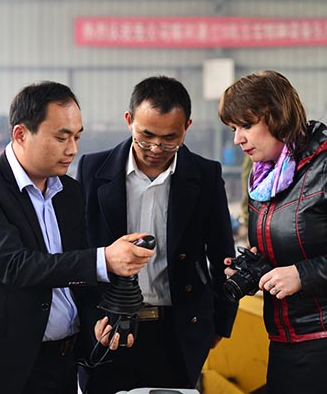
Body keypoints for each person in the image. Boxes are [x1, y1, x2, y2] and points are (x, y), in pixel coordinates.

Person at [0, 81, 151, 394]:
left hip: (62, 363)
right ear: (21, 134)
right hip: (2, 365)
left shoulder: (69, 192)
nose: (72, 149)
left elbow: (75, 275)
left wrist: (98, 321)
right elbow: (16, 266)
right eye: (61, 137)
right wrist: (104, 259)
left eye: (77, 137)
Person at [218, 70, 327, 394]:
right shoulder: (265, 175)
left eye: (246, 126)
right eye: (233, 129)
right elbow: (290, 245)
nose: (237, 139)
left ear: (276, 116)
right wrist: (257, 270)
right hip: (286, 333)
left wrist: (302, 275)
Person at [77, 76, 238, 393]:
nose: (155, 148)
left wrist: (219, 324)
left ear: (187, 127)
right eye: (146, 136)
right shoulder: (92, 170)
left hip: (177, 334)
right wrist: (87, 320)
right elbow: (78, 252)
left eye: (169, 139)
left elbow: (223, 256)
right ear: (129, 121)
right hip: (107, 329)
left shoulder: (205, 175)